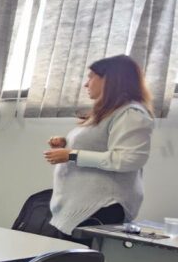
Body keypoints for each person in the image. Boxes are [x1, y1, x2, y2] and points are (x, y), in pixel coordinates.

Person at [43, 55, 154, 239]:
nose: (86, 84)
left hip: (101, 208)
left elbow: (129, 159)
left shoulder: (131, 113)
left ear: (110, 80)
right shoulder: (106, 113)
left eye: (91, 77)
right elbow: (97, 148)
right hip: (79, 207)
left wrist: (71, 154)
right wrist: (66, 144)